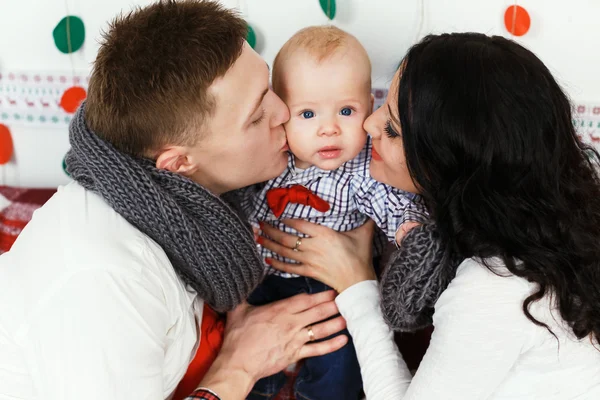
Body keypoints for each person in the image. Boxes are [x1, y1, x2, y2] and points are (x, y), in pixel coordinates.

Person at [0, 1, 351, 399]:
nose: (283, 111)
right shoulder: (102, 281)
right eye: (256, 117)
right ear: (179, 162)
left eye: (268, 86)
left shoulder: (186, 209)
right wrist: (240, 365)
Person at [259, 33, 600, 399]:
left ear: (443, 166)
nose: (369, 126)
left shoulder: (494, 286)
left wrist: (356, 282)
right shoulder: (560, 223)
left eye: (391, 127)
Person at [242, 26, 428, 400]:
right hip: (264, 276)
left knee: (340, 362)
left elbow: (387, 199)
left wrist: (406, 228)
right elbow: (241, 194)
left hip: (333, 288)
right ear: (281, 114)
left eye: (346, 110)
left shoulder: (360, 168)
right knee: (254, 352)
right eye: (307, 113)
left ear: (369, 104)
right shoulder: (273, 156)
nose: (329, 129)